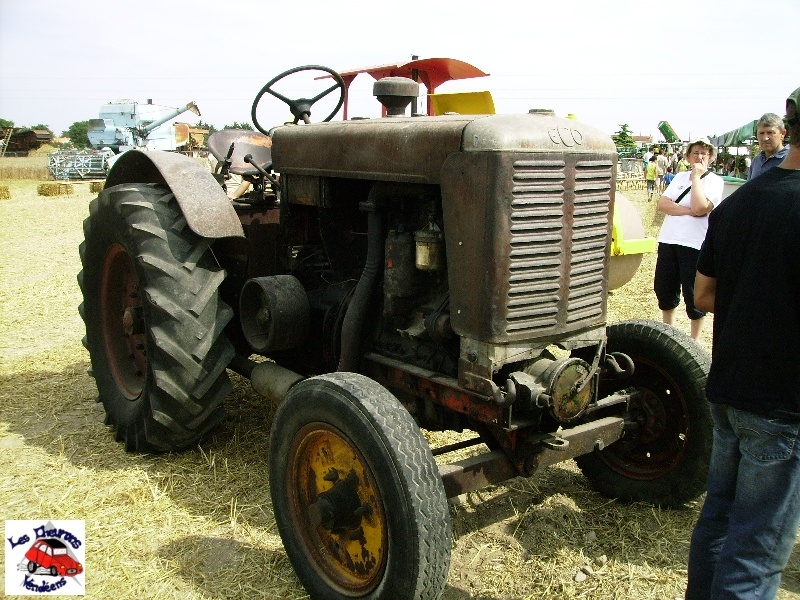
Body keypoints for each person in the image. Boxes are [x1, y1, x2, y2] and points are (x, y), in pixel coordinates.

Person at [685, 86, 800, 600]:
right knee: (756, 552)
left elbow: (703, 294)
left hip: (729, 391)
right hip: (783, 406)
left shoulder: (739, 202)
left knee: (719, 520)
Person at [653, 136, 724, 340]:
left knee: (693, 293)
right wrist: (688, 211)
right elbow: (663, 204)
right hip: (669, 239)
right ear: (687, 156)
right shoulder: (678, 177)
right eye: (695, 152)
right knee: (665, 288)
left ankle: (695, 340)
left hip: (694, 244)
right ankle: (669, 332)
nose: (700, 156)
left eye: (704, 153)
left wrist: (695, 179)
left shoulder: (714, 181)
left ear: (710, 157)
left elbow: (701, 207)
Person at [748, 112, 787, 180]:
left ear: (783, 134)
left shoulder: (790, 160)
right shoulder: (756, 161)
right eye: (761, 133)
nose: (765, 138)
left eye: (770, 133)